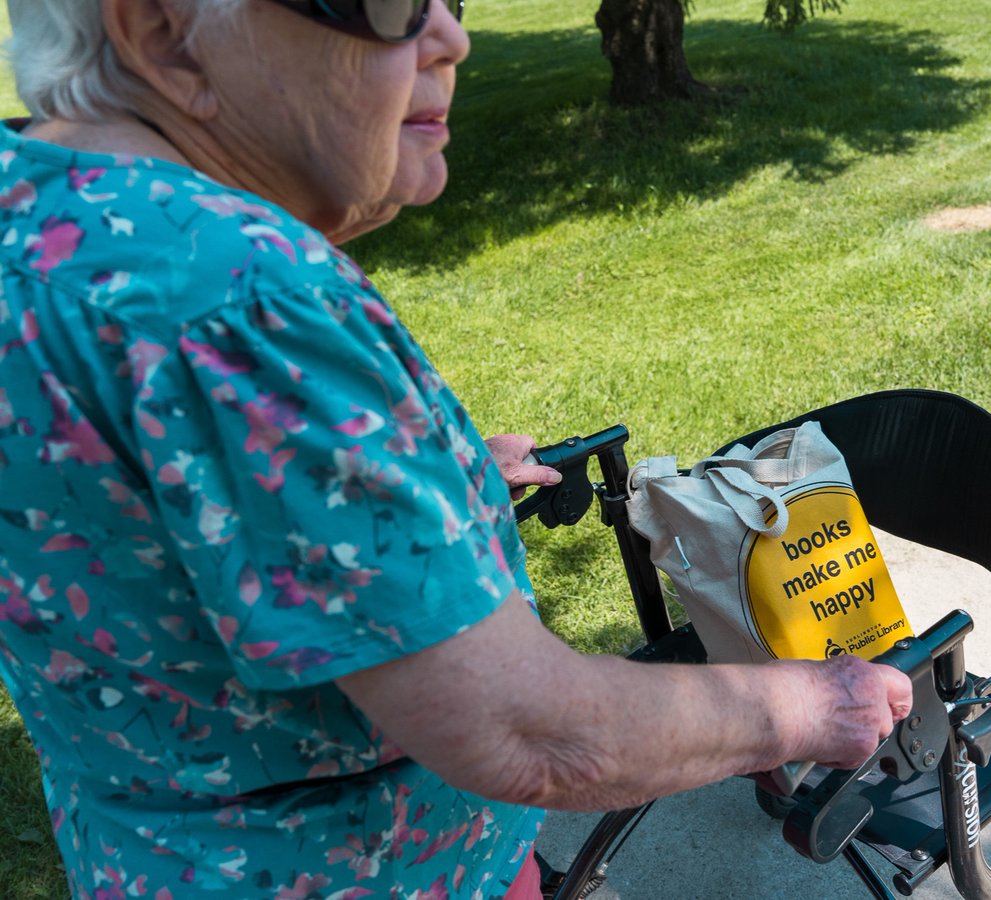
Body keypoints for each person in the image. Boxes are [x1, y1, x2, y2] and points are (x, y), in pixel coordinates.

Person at [0, 1, 913, 897]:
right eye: (391, 2)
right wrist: (812, 705)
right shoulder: (236, 295)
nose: (451, 36)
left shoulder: (35, 216)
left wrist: (431, 483)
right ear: (163, 32)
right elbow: (534, 735)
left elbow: (140, 508)